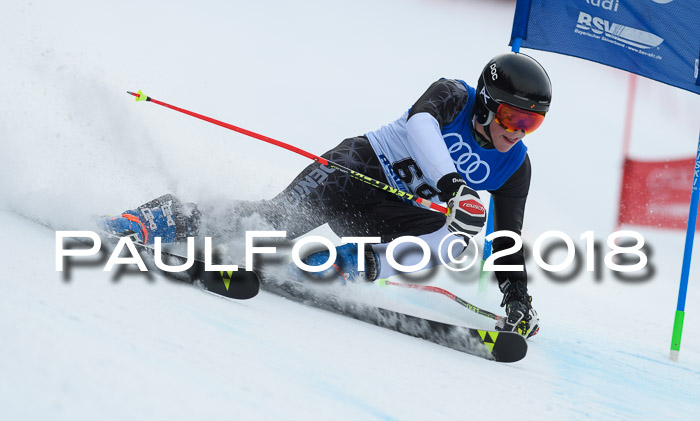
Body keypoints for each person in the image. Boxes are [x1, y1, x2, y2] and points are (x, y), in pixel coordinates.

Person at [102, 52, 552, 338]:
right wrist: (454, 186)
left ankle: (350, 263)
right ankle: (169, 216)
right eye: (514, 118)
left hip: (392, 214)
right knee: (273, 224)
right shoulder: (453, 95)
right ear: (488, 104)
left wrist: (517, 298)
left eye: (532, 124)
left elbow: (506, 239)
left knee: (462, 234)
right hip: (355, 169)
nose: (517, 132)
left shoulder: (515, 166)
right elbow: (421, 126)